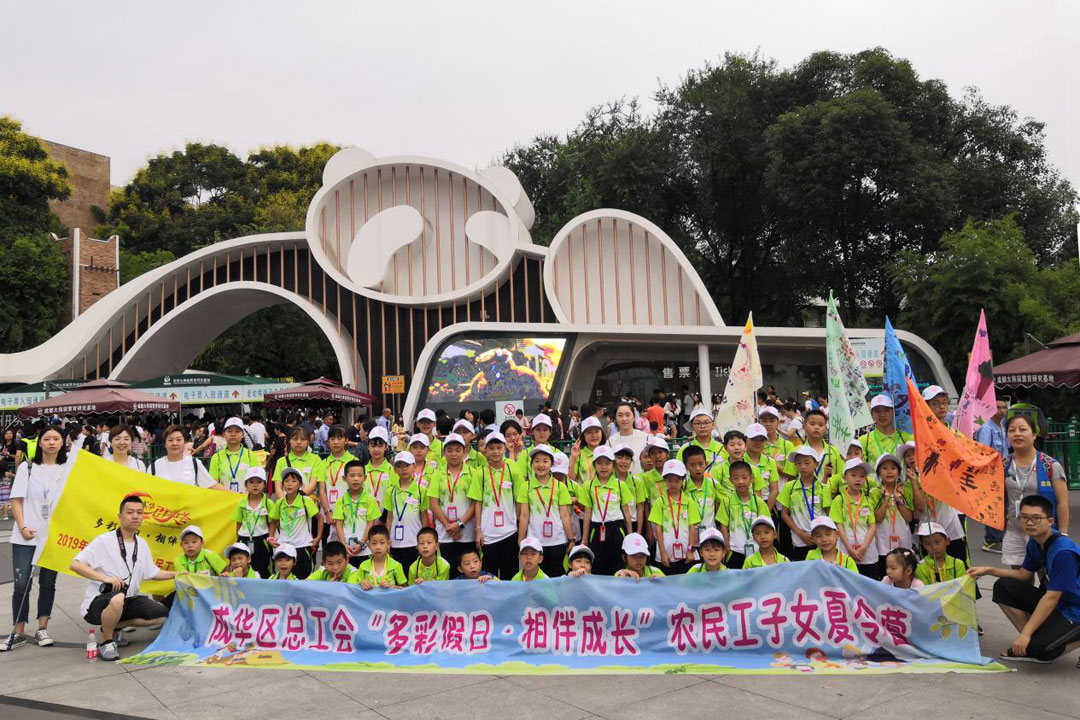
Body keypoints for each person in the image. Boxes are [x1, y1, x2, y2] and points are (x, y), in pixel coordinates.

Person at [969, 495, 1080, 664]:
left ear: (1050, 521)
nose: (1029, 523)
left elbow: (1051, 597)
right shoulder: (1035, 542)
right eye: (1024, 517)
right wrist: (989, 570)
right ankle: (1030, 643)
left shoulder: (1063, 553)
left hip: (1075, 609)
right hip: (1061, 604)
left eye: (1036, 518)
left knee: (1041, 651)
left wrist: (1026, 634)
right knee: (1003, 587)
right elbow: (1024, 575)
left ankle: (1032, 643)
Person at [2, 426, 80, 651]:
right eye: (47, 439)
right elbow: (16, 500)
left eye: (56, 438)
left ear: (63, 442)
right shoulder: (27, 468)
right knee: (21, 584)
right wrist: (22, 526)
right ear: (40, 442)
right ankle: (18, 631)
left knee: (48, 583)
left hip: (52, 537)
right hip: (26, 536)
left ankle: (42, 628)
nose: (52, 442)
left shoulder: (67, 469)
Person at [67, 495, 173, 661]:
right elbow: (75, 565)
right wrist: (105, 579)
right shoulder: (104, 541)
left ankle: (112, 626)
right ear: (120, 516)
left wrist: (177, 575)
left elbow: (153, 573)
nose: (135, 516)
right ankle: (107, 642)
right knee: (117, 598)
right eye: (130, 512)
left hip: (128, 600)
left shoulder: (141, 543)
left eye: (139, 512)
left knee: (161, 615)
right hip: (99, 602)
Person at [1001, 415, 1070, 568]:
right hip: (1014, 530)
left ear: (1034, 435)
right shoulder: (1003, 464)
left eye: (1022, 429)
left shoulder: (1050, 465)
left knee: (1045, 574)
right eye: (1012, 430)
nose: (1017, 434)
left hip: (1043, 532)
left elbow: (1062, 503)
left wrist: (1063, 534)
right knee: (1018, 577)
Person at [469, 431, 524, 579]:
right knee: (489, 576)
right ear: (486, 450)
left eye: (499, 448)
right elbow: (478, 503)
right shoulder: (480, 473)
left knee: (510, 574)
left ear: (505, 448)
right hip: (488, 533)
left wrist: (517, 522)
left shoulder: (513, 469)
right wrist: (478, 530)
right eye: (492, 448)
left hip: (510, 531)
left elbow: (519, 499)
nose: (495, 451)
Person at [517, 444, 575, 577]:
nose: (541, 465)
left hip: (558, 540)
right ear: (532, 464)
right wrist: (521, 539)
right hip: (535, 542)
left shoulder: (560, 487)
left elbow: (565, 515)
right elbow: (524, 515)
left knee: (556, 576)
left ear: (551, 464)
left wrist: (571, 539)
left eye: (545, 461)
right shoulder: (526, 487)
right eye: (537, 461)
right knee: (537, 577)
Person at [427, 433, 476, 576]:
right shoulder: (437, 474)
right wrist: (449, 526)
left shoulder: (472, 473)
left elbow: (475, 503)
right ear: (444, 453)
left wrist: (459, 524)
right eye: (449, 450)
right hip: (445, 533)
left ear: (464, 451)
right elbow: (433, 503)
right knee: (448, 573)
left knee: (469, 573)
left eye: (457, 450)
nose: (453, 454)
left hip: (467, 533)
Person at [579, 446, 632, 575]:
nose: (604, 467)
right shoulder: (588, 485)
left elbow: (626, 512)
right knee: (598, 564)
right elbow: (587, 513)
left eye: (607, 463)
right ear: (594, 465)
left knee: (618, 563)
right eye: (599, 463)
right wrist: (585, 538)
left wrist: (630, 535)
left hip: (617, 528)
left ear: (613, 465)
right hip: (596, 529)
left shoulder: (620, 485)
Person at [829, 458, 881, 579]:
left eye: (862, 476)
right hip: (846, 550)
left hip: (868, 553)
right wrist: (849, 548)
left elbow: (872, 525)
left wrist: (864, 547)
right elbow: (839, 526)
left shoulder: (868, 500)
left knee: (869, 582)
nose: (858, 479)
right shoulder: (839, 500)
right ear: (844, 477)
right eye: (853, 475)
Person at [268, 467, 322, 579]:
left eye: (294, 481)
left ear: (300, 484)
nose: (289, 484)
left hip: (302, 546)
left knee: (304, 579)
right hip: (284, 547)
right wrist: (271, 537)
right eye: (286, 481)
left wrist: (318, 537)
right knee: (284, 578)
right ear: (282, 484)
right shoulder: (279, 503)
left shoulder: (306, 501)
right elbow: (273, 520)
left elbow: (319, 518)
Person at [649, 459, 701, 574]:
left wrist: (690, 550)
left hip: (685, 553)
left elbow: (692, 527)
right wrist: (662, 552)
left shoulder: (689, 502)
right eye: (669, 481)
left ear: (683, 480)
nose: (673, 484)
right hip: (667, 553)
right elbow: (658, 528)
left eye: (677, 481)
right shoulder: (660, 502)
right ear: (664, 481)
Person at [778, 446, 827, 561]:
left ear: (816, 464)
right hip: (799, 539)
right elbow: (784, 514)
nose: (802, 467)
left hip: (821, 539)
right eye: (798, 463)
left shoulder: (823, 488)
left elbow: (828, 514)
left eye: (807, 463)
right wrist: (800, 533)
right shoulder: (790, 487)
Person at [717, 460, 768, 569]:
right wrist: (727, 547)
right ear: (730, 480)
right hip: (734, 550)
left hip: (756, 549)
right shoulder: (727, 501)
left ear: (751, 478)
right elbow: (723, 526)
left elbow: (765, 525)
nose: (741, 482)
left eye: (744, 478)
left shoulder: (758, 502)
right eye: (736, 478)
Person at [333, 460, 380, 568]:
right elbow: (339, 524)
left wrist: (361, 544)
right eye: (352, 475)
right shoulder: (340, 501)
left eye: (359, 475)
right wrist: (344, 544)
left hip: (365, 549)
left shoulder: (370, 500)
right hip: (346, 550)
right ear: (344, 478)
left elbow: (370, 523)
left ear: (365, 478)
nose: (356, 479)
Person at [976, 399, 1009, 552]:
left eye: (1004, 408)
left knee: (1003, 507)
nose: (1002, 411)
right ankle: (991, 540)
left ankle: (999, 538)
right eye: (998, 408)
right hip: (992, 474)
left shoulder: (1002, 426)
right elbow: (984, 453)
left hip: (1004, 471)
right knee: (994, 507)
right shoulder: (986, 429)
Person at [384, 451, 426, 570]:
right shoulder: (390, 491)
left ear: (414, 466)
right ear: (394, 470)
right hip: (395, 543)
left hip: (414, 541)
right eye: (399, 466)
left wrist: (423, 540)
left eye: (407, 465)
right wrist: (387, 539)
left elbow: (423, 517)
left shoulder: (421, 490)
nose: (403, 469)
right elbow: (389, 518)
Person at [318, 425, 359, 544]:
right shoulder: (323, 463)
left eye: (340, 438)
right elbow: (322, 490)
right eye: (332, 439)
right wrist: (328, 513)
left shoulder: (353, 461)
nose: (336, 442)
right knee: (329, 548)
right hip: (328, 515)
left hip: (348, 514)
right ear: (328, 441)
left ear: (346, 440)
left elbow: (357, 489)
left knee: (348, 546)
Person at [873, 453, 914, 567]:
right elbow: (878, 518)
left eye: (893, 468)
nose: (889, 471)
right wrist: (886, 498)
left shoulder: (905, 491)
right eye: (884, 468)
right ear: (878, 472)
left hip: (904, 542)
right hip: (882, 545)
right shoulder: (874, 492)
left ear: (899, 472)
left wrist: (898, 500)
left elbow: (909, 518)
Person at [150, 425, 222, 489]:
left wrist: (229, 494)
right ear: (165, 444)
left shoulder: (194, 463)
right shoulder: (155, 467)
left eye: (179, 439)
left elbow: (212, 485)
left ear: (185, 442)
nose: (175, 443)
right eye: (170, 440)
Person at [232, 467, 272, 578]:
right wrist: (238, 539)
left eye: (259, 482)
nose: (255, 485)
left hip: (262, 540)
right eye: (251, 482)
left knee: (263, 568)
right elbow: (238, 523)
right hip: (244, 539)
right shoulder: (241, 503)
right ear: (246, 485)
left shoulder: (268, 503)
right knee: (243, 568)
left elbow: (271, 523)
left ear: (264, 484)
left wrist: (270, 538)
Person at [858, 395, 913, 468]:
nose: (882, 415)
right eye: (877, 411)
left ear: (893, 412)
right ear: (872, 414)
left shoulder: (907, 438)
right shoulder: (864, 441)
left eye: (886, 410)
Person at [209, 417, 259, 493]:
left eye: (237, 431)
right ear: (224, 434)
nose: (233, 434)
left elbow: (257, 481)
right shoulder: (217, 457)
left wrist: (244, 495)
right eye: (229, 431)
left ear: (242, 435)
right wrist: (231, 494)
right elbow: (213, 483)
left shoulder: (251, 455)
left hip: (246, 499)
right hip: (225, 499)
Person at [271, 426, 320, 498]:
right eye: (295, 439)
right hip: (286, 502)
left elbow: (313, 485)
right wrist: (286, 502)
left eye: (303, 439)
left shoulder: (316, 459)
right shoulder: (281, 461)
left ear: (308, 442)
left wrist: (297, 500)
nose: (298, 442)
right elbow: (278, 487)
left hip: (308, 502)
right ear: (289, 440)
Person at [606, 402, 649, 473]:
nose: (624, 419)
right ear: (615, 418)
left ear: (634, 417)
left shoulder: (646, 438)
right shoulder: (610, 442)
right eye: (620, 415)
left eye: (628, 415)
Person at [364, 426, 394, 507]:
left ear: (386, 447)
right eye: (373, 446)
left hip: (386, 513)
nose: (376, 450)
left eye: (380, 446)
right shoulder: (363, 471)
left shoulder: (391, 470)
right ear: (368, 447)